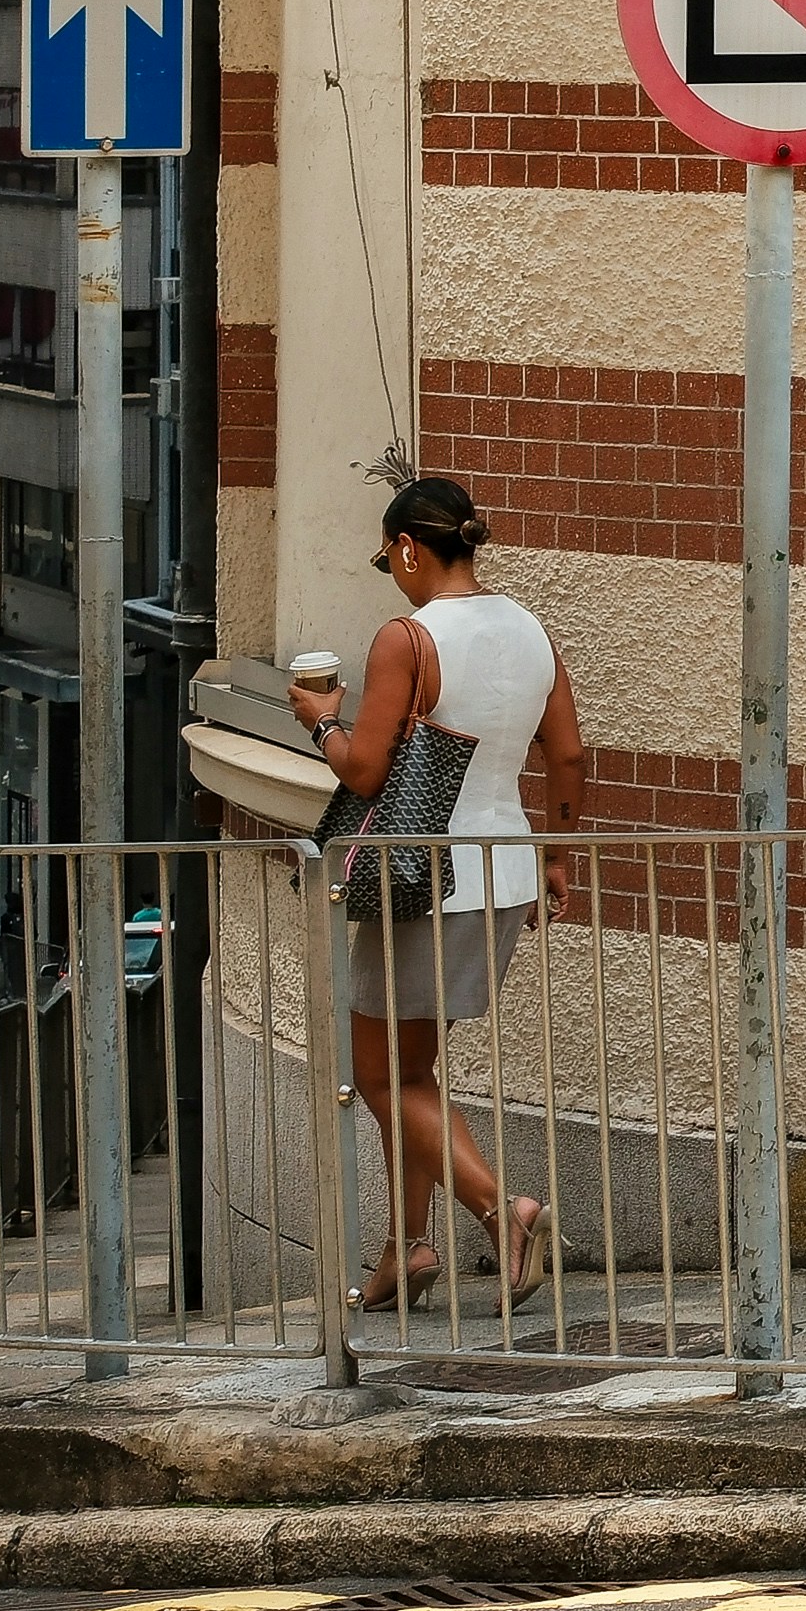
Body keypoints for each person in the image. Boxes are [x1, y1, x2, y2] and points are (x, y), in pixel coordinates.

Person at [292, 474, 588, 1310]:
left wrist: (319, 718)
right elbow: (565, 756)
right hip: (505, 867)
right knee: (411, 1068)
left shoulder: (405, 637)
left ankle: (503, 1211)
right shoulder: (530, 629)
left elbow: (365, 769)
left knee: (383, 1076)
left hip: (423, 876)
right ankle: (406, 1251)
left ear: (410, 548)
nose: (393, 570)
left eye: (390, 557)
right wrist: (557, 859)